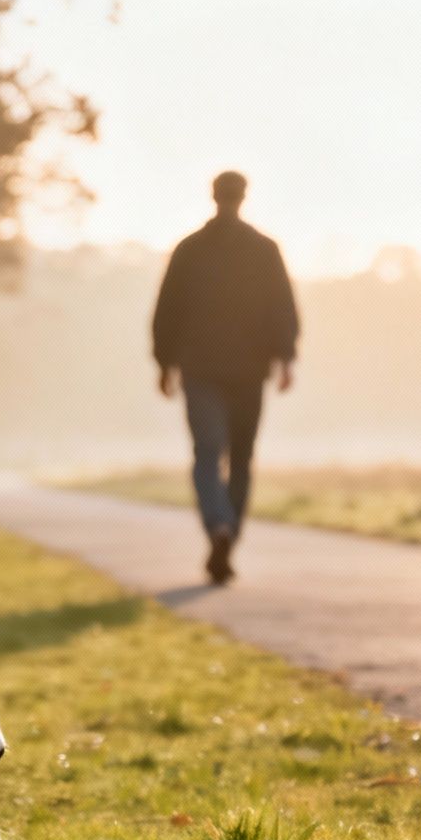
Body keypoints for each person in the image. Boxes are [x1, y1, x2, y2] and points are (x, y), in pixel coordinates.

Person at [150, 170, 300, 585]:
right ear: (244, 197)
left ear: (213, 197)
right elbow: (282, 307)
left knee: (206, 454)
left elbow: (167, 311)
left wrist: (165, 363)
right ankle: (228, 534)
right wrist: (286, 358)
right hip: (250, 371)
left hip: (200, 369)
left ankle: (217, 525)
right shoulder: (265, 250)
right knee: (241, 458)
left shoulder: (189, 250)